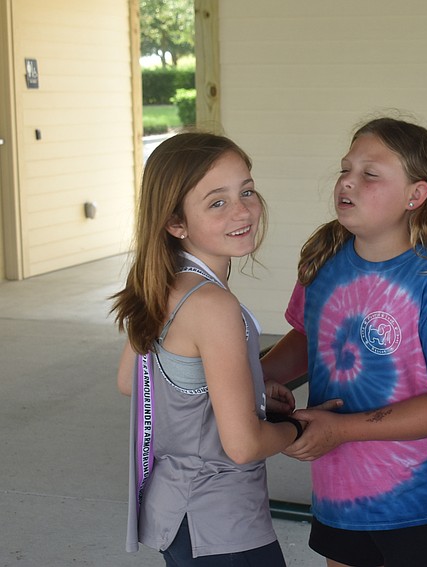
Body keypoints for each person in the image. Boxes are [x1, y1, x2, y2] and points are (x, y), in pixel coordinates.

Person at [261, 117, 427, 567]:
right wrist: (253, 379)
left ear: (416, 195)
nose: (347, 181)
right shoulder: (323, 260)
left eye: (370, 174)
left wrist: (340, 429)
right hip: (340, 496)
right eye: (346, 169)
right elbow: (310, 336)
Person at [112, 132, 306, 566]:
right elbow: (242, 445)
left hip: (175, 514)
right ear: (175, 223)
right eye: (217, 202)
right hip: (220, 524)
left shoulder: (161, 282)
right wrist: (302, 429)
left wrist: (246, 390)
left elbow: (132, 381)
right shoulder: (213, 304)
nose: (243, 211)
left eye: (247, 191)